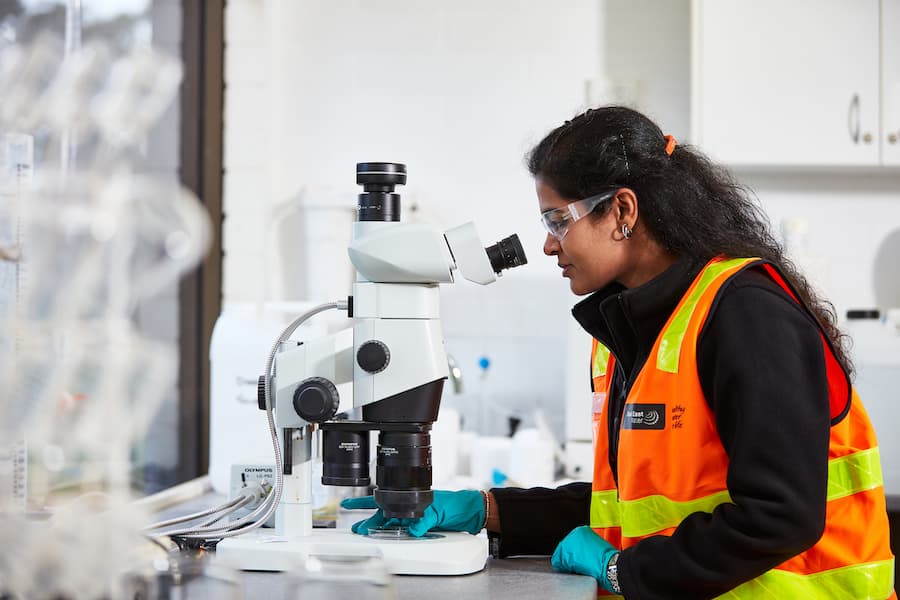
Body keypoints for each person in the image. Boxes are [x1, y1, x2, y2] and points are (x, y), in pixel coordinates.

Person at [342, 106, 897, 599]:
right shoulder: (630, 331)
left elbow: (779, 516)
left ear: (623, 212)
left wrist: (624, 572)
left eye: (559, 220)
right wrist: (487, 513)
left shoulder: (745, 312)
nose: (548, 244)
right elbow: (629, 508)